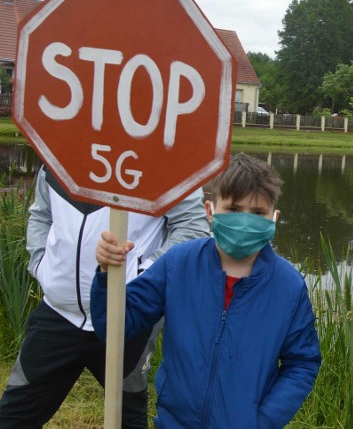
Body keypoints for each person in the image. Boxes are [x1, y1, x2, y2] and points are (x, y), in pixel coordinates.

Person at [91, 152, 321, 427]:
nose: (245, 221)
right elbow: (114, 326)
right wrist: (107, 274)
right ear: (210, 211)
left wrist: (264, 421)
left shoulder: (288, 286)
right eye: (234, 210)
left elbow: (302, 363)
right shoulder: (178, 264)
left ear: (274, 217)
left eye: (258, 213)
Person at [0, 164, 209, 429]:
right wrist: (42, 267)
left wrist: (142, 279)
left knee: (128, 421)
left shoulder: (166, 161)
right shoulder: (57, 154)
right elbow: (40, 215)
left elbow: (193, 229)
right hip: (58, 314)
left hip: (127, 318)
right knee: (12, 418)